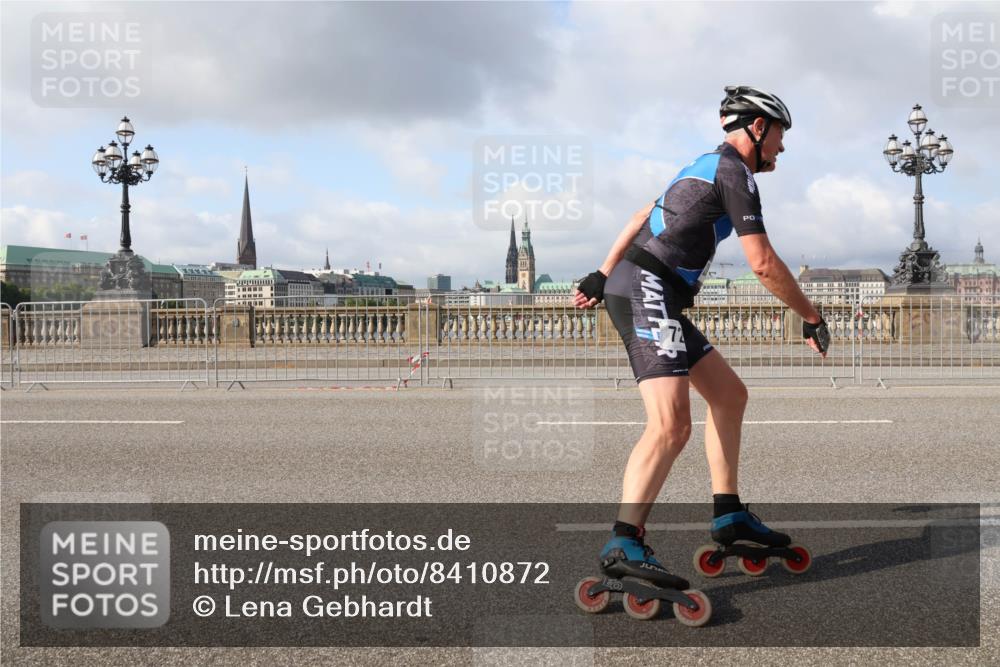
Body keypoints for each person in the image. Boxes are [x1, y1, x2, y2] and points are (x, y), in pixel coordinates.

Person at [573, 86, 830, 586]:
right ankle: (623, 541)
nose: (782, 146)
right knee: (671, 425)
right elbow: (762, 263)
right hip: (648, 288)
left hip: (648, 288)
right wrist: (811, 316)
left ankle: (729, 514)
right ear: (757, 128)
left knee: (729, 395)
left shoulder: (705, 163)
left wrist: (602, 274)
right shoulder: (734, 173)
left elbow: (637, 217)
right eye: (780, 134)